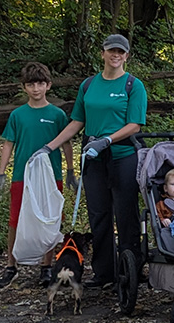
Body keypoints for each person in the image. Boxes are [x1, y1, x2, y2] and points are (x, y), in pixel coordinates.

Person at [42, 34, 147, 289]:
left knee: (126, 216)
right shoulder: (88, 85)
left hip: (123, 157)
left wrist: (108, 140)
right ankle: (104, 273)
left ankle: (131, 272)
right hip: (93, 159)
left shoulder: (134, 85)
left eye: (121, 52)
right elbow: (78, 122)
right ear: (102, 53)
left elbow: (135, 125)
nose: (116, 55)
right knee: (99, 215)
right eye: (111, 51)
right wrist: (49, 147)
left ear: (126, 56)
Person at [0, 62, 76, 289]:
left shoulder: (57, 114)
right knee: (15, 220)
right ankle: (11, 266)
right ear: (24, 87)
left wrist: (70, 171)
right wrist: (1, 173)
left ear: (48, 85)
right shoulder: (18, 115)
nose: (36, 88)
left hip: (51, 177)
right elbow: (9, 144)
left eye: (40, 83)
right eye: (30, 84)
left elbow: (66, 143)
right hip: (22, 176)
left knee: (50, 220)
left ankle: (46, 266)